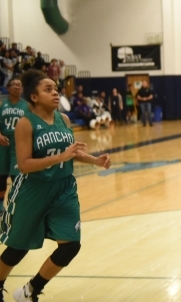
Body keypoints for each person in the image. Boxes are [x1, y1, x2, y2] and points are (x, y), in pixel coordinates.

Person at [0, 69, 111, 302]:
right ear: (34, 97)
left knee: (71, 245)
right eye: (48, 89)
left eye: (56, 89)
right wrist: (61, 157)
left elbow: (71, 154)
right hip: (33, 189)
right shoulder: (25, 123)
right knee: (19, 247)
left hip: (64, 189)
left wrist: (95, 160)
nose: (55, 93)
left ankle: (30, 291)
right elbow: (25, 164)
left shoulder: (64, 119)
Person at [0, 79, 28, 211]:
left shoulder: (27, 106)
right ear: (8, 88)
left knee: (17, 175)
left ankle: (16, 204)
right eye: (14, 85)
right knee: (1, 175)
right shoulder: (2, 105)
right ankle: (0, 205)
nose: (17, 87)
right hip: (3, 143)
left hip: (19, 143)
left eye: (19, 85)